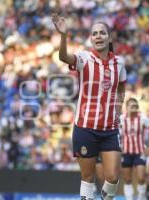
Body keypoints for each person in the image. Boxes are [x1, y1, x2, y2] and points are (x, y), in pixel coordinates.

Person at [51, 13, 126, 200]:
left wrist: (118, 109)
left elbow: (121, 87)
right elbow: (63, 56)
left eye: (102, 33)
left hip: (110, 129)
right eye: (94, 34)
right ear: (91, 39)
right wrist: (63, 35)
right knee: (88, 178)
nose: (98, 36)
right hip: (85, 128)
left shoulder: (120, 63)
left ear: (109, 38)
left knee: (113, 177)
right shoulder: (84, 59)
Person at [120, 98, 149, 200]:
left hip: (140, 151)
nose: (134, 108)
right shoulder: (121, 119)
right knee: (127, 179)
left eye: (136, 106)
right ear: (126, 107)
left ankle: (141, 197)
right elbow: (114, 133)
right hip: (125, 152)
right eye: (132, 106)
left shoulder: (142, 118)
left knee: (141, 178)